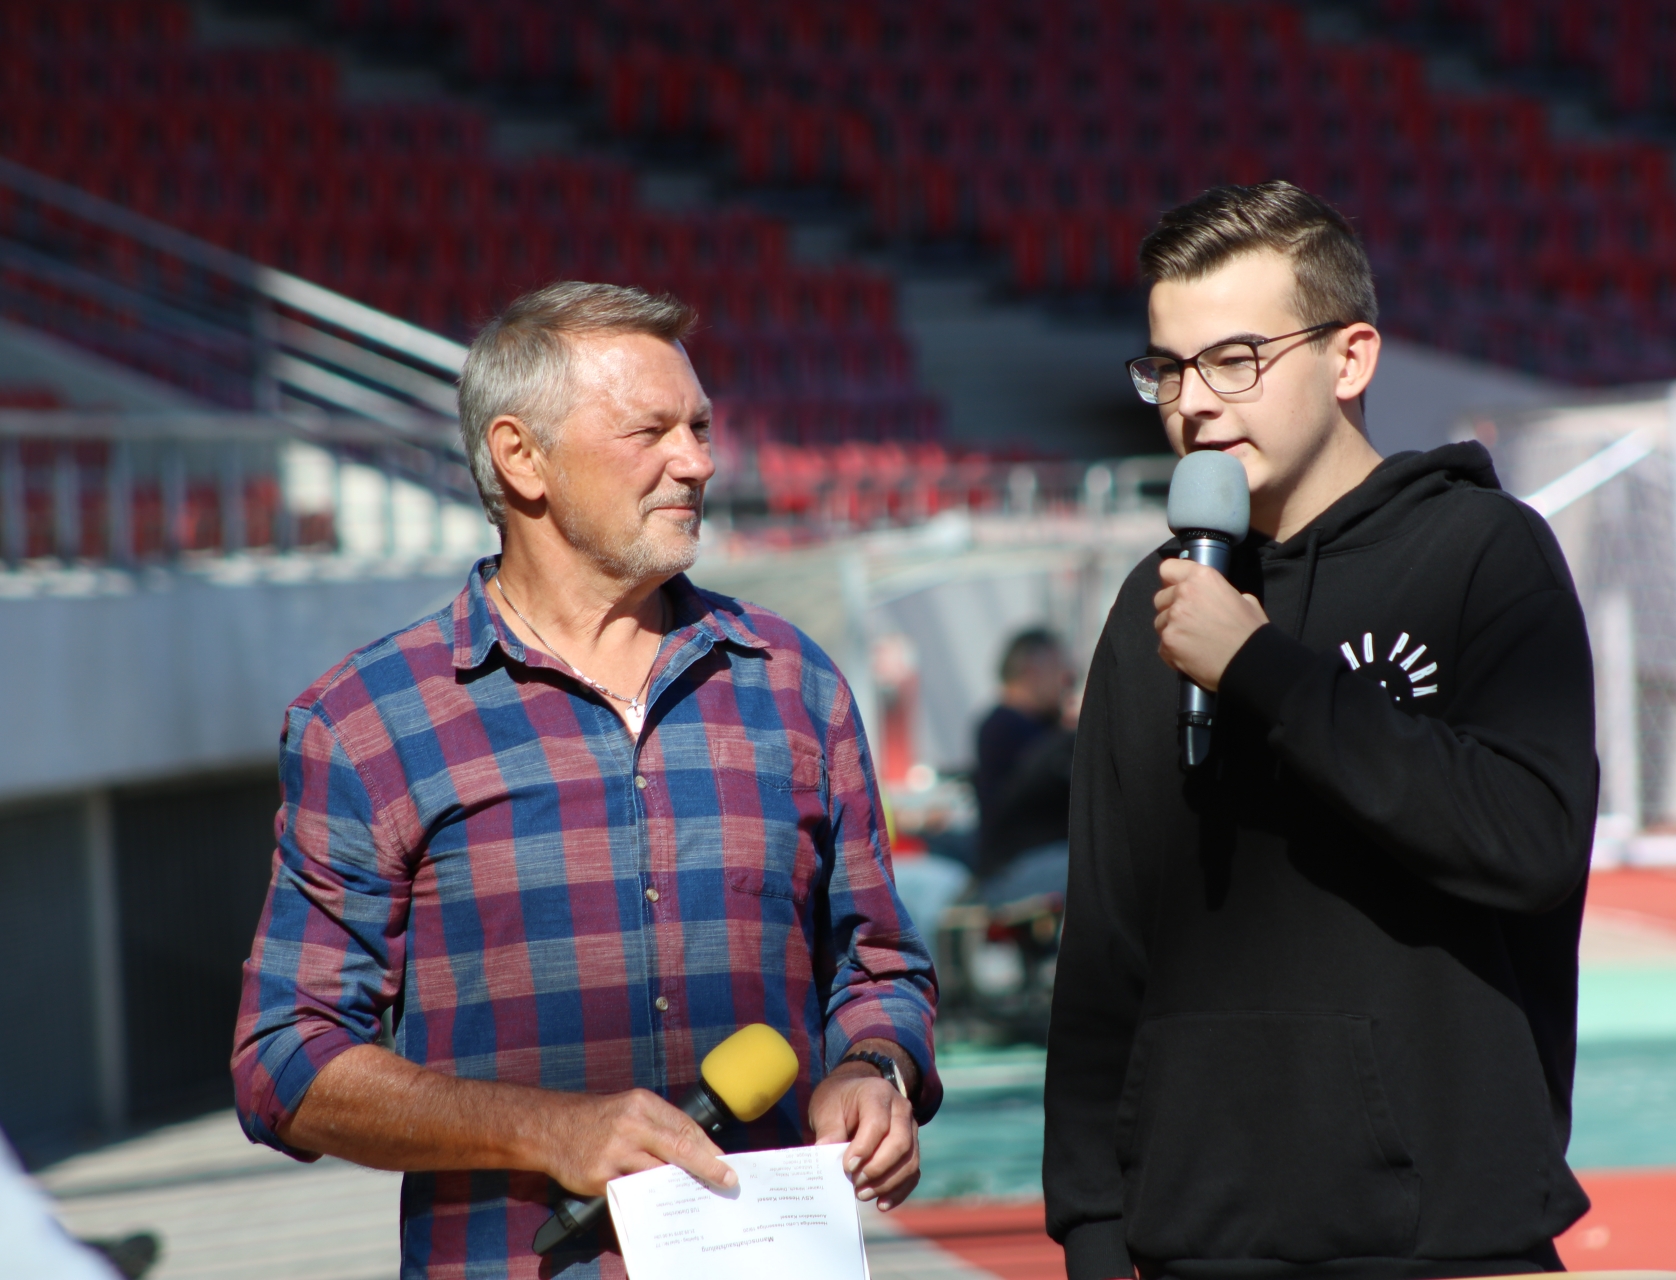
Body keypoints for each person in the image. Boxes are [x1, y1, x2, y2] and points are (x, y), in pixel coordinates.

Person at [232, 282, 940, 1279]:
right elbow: (285, 1058)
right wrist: (543, 1127)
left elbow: (878, 966)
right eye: (650, 431)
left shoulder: (794, 683)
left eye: (699, 427)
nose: (697, 461)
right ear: (522, 456)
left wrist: (875, 1067)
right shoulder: (365, 723)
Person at [1044, 182, 1596, 1280]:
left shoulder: (1483, 553)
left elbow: (1529, 840)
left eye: (1235, 359)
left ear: (1350, 359)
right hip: (1197, 1234)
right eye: (1169, 367)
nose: (1195, 402)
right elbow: (1105, 941)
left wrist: (1262, 671)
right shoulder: (1155, 603)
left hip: (1446, 1234)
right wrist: (1093, 1230)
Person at [973, 629, 1074, 883]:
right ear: (1032, 671)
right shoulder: (1003, 727)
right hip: (1013, 866)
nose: (1066, 680)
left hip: (1037, 857)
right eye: (1058, 668)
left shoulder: (1042, 726)